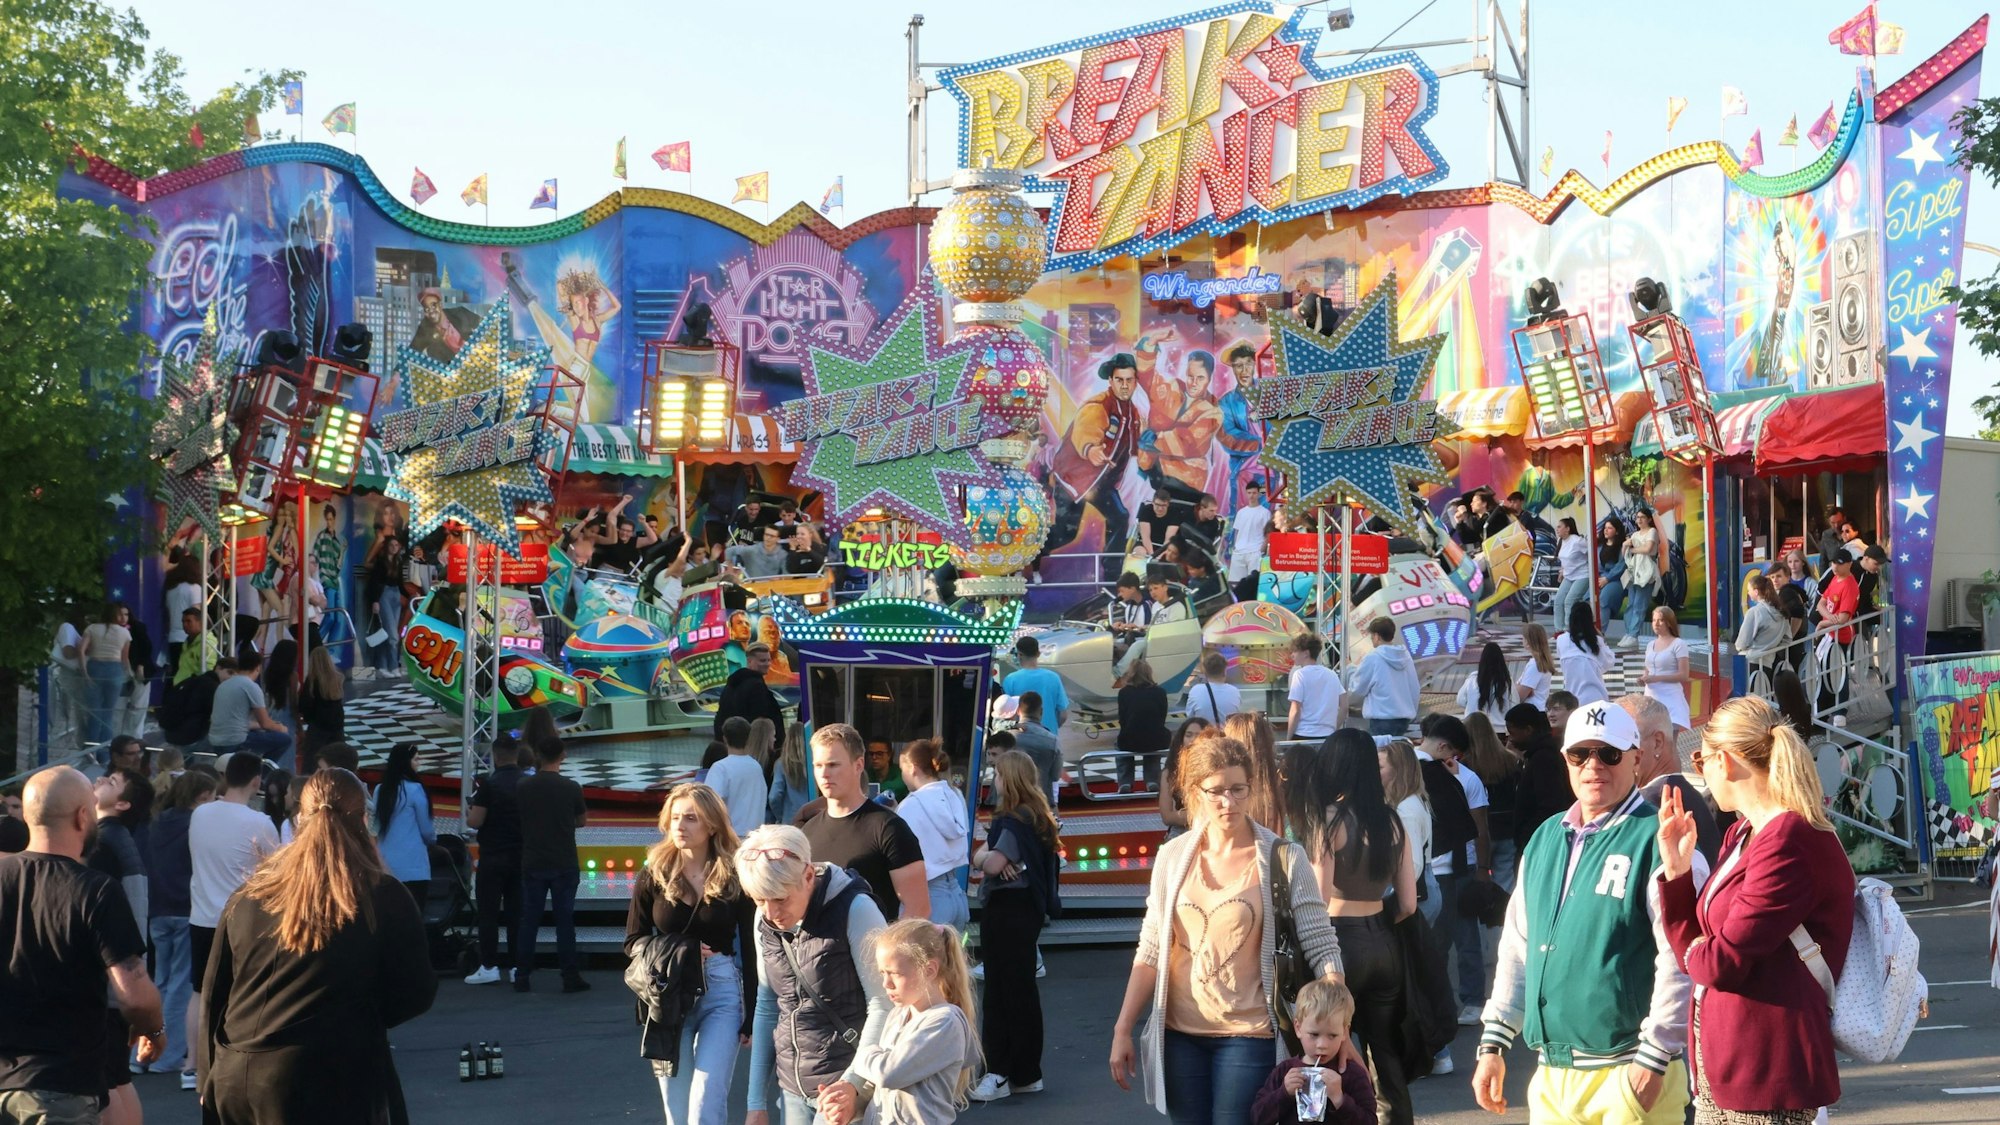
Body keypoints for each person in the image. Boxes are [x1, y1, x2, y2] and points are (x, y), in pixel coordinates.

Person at [1472, 702, 1698, 1125]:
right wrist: (1493, 1043)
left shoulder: (1659, 836)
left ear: (1635, 758)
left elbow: (1681, 957)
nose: (1594, 765)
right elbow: (1518, 947)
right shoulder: (1545, 837)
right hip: (1552, 1076)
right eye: (1581, 754)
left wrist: (1653, 1060)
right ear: (1566, 760)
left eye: (1608, 753)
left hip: (1629, 1070)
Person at [1108, 735, 1347, 1122]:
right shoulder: (1172, 856)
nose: (1228, 802)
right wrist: (1122, 1029)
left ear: (1252, 789)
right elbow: (1151, 949)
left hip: (1250, 1033)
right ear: (1194, 791)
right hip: (1179, 1034)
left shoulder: (1284, 856)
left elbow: (1322, 945)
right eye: (1216, 791)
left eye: (1239, 789)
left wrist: (1341, 1025)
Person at [1659, 696, 1855, 1124]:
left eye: (1701, 758)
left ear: (1725, 761)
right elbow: (1705, 946)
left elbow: (1721, 964)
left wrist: (1699, 956)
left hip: (1767, 1070)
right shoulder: (1745, 832)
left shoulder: (1788, 841)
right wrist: (1676, 873)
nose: (1701, 770)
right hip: (1728, 1059)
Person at [201, 768, 437, 1124]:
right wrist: (360, 1013)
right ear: (363, 820)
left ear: (299, 818)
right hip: (325, 1076)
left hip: (236, 1071)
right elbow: (416, 992)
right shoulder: (380, 896)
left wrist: (208, 1075)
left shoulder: (252, 893)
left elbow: (216, 990)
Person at [0, 767, 164, 1121]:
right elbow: (134, 995)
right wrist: (155, 1028)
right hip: (58, 1087)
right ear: (83, 816)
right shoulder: (96, 890)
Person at [738, 824, 893, 1125]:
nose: (770, 912)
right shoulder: (765, 920)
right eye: (759, 899)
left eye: (780, 899)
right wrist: (755, 1102)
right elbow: (768, 1004)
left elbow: (883, 1003)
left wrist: (853, 1085)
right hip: (794, 1089)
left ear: (808, 876)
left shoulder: (857, 909)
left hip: (848, 1085)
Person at [626, 783, 756, 1125]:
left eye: (692, 819)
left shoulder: (733, 875)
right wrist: (681, 949)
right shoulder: (653, 873)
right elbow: (633, 940)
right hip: (668, 993)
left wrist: (754, 1012)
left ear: (712, 825)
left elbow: (752, 946)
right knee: (677, 1111)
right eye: (675, 817)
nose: (680, 826)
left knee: (706, 1105)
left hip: (721, 989)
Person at [1306, 731, 1417, 1125]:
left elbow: (1317, 901)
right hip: (1383, 940)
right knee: (1384, 1050)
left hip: (1339, 942)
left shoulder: (1330, 820)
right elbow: (1408, 902)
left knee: (1329, 1045)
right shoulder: (1392, 821)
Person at [815, 918, 980, 1125]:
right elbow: (877, 1085)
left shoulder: (945, 1022)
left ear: (929, 970)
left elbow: (889, 1073)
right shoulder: (898, 1015)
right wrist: (849, 1106)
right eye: (883, 973)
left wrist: (864, 1053)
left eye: (895, 974)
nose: (886, 983)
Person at [967, 751, 1062, 1103]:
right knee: (1022, 993)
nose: (995, 780)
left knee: (998, 994)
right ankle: (1026, 1072)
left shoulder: (1011, 820)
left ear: (1010, 779)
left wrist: (979, 857)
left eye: (999, 774)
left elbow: (991, 864)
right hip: (1029, 910)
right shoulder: (1038, 816)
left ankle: (999, 1072)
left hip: (1005, 911)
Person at [188, 752, 279, 1076]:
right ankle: (235, 1061)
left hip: (200, 917)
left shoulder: (200, 815)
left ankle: (193, 1065)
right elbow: (276, 873)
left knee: (201, 992)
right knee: (242, 993)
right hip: (241, 921)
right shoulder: (259, 823)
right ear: (256, 781)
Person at [795, 724, 929, 922]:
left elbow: (918, 909)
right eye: (818, 765)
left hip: (875, 947)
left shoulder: (889, 828)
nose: (824, 774)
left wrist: (886, 952)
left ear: (858, 765)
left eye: (833, 765)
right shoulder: (808, 830)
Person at [85, 767, 151, 1125]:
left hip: (111, 979)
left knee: (106, 1081)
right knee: (118, 1078)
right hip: (122, 977)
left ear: (122, 803)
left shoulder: (104, 843)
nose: (100, 780)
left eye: (112, 782)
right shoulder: (118, 840)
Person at [1414, 714, 1489, 1030]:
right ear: (1443, 746)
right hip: (1433, 869)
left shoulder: (1465, 778)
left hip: (1456, 868)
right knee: (1437, 942)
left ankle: (1471, 1000)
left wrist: (1482, 869)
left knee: (1464, 937)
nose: (1452, 761)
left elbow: (1479, 827)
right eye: (1452, 754)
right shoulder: (1412, 771)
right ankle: (1441, 1002)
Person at [147, 768, 217, 1087]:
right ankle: (169, 1054)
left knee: (161, 981)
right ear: (200, 797)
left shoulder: (158, 821)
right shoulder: (196, 824)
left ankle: (146, 1052)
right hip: (186, 908)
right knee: (181, 984)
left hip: (158, 907)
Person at [516, 730, 590, 993]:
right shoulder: (571, 787)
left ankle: (522, 975)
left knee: (529, 920)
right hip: (564, 861)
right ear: (562, 756)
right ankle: (570, 976)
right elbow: (581, 821)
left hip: (533, 860)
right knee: (564, 921)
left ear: (538, 755)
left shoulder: (523, 787)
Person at [1046, 353, 1142, 554]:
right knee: (1065, 534)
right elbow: (1086, 432)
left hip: (1101, 483)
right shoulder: (1098, 405)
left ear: (1135, 382)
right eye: (1119, 380)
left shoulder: (1132, 413)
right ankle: (1028, 552)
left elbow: (1133, 447)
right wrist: (1090, 449)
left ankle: (1112, 575)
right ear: (1111, 381)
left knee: (1119, 518)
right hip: (1074, 479)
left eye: (1129, 380)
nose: (1124, 385)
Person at [1248, 978, 1378, 1125]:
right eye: (1314, 1035)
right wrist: (1284, 1093)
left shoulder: (1352, 1074)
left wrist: (1340, 1099)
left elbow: (1370, 1121)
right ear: (1298, 1028)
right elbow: (1258, 1117)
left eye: (1332, 1035)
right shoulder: (1286, 1071)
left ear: (1344, 1032)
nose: (1322, 1045)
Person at [1619, 695, 1720, 867]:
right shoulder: (1680, 794)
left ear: (1657, 743)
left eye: (1625, 741)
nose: (1615, 753)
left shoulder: (1652, 806)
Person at [465, 733, 526, 987]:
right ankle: (516, 966)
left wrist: (470, 811)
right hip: (521, 856)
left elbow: (475, 821)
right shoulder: (526, 783)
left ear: (496, 756)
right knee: (517, 914)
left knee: (488, 913)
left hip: (492, 857)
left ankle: (489, 965)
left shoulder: (489, 785)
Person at [897, 739, 970, 930]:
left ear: (912, 768)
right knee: (954, 959)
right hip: (956, 893)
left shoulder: (909, 805)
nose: (902, 776)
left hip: (929, 897)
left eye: (902, 770)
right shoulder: (955, 795)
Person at [371, 743, 435, 907]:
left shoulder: (380, 790)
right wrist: (433, 843)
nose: (418, 763)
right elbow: (427, 831)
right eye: (416, 759)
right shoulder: (416, 789)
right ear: (406, 763)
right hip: (414, 867)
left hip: (386, 866)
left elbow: (376, 828)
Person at [1505, 704, 1574, 856]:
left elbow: (1550, 804)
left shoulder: (1543, 759)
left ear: (1528, 730)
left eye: (1513, 733)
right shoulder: (1539, 755)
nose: (1510, 738)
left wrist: (1528, 835)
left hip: (1539, 843)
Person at [1378, 739, 1435, 914]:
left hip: (1415, 898)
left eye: (1380, 767)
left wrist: (1395, 903)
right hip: (1421, 892)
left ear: (1398, 772)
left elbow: (1413, 865)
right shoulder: (1411, 801)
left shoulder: (1405, 810)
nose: (1373, 772)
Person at [208, 650, 294, 767]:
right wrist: (280, 728)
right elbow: (265, 723)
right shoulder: (251, 686)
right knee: (284, 740)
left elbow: (234, 719)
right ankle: (262, 774)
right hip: (236, 741)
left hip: (216, 740)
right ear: (258, 668)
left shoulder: (223, 685)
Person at [1348, 618, 1422, 737]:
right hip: (1404, 720)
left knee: (1381, 754)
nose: (1372, 640)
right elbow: (1415, 688)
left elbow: (1358, 688)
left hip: (1381, 720)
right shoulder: (1406, 656)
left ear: (1377, 636)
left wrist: (1350, 668)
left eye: (1371, 637)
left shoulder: (1373, 657)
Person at [709, 717, 772, 838]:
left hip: (730, 837)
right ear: (748, 739)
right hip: (756, 836)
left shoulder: (720, 768)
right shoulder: (756, 767)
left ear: (725, 739)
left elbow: (710, 805)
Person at [82, 603, 134, 745]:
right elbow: (125, 658)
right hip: (114, 669)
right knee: (108, 712)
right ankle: (105, 751)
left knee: (94, 711)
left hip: (94, 667)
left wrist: (84, 671)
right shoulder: (124, 633)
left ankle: (90, 748)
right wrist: (129, 675)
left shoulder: (92, 629)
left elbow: (81, 650)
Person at [1116, 660, 1171, 795]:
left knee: (1122, 743)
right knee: (1154, 736)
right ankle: (1152, 779)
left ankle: (1125, 782)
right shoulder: (1160, 692)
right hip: (1156, 739)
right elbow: (1162, 718)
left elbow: (1122, 720)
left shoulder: (1124, 693)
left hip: (1130, 739)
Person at [714, 642, 786, 741]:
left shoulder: (732, 684)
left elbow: (720, 716)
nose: (767, 664)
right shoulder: (756, 686)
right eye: (762, 660)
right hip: (753, 745)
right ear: (749, 661)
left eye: (769, 660)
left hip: (731, 742)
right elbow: (760, 719)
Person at [1639, 607, 1693, 730]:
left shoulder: (1679, 644)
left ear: (1669, 623)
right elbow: (1647, 669)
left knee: (1669, 742)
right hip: (1651, 698)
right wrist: (1643, 679)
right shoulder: (1650, 645)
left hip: (1671, 698)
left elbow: (1684, 675)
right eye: (1654, 620)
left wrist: (1656, 678)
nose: (1656, 624)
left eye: (1661, 620)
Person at [295, 646, 346, 774]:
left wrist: (306, 718)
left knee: (311, 762)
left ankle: (306, 787)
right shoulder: (338, 678)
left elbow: (304, 705)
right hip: (337, 725)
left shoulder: (312, 681)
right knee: (339, 760)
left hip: (318, 727)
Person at [1620, 511, 1667, 648]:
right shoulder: (1635, 534)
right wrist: (1625, 545)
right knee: (1631, 604)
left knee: (1639, 605)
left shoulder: (1652, 531)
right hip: (1634, 571)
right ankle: (1629, 632)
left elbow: (1648, 548)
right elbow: (1625, 554)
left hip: (1646, 571)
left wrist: (1633, 548)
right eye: (1637, 517)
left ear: (1648, 519)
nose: (1639, 520)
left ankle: (1633, 634)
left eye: (1642, 517)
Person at [1002, 637, 1071, 730]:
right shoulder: (1053, 677)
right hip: (1048, 737)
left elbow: (1008, 715)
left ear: (1019, 655)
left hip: (1020, 737)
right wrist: (1053, 729)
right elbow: (1063, 715)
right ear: (1038, 654)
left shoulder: (1010, 679)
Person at [1556, 600, 1615, 706]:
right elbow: (1609, 663)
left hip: (1572, 697)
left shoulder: (1561, 640)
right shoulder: (1595, 641)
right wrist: (1602, 640)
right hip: (1596, 697)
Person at [1287, 633, 1345, 741]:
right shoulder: (1331, 674)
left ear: (1306, 653)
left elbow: (1295, 710)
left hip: (1304, 733)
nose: (1292, 655)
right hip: (1328, 735)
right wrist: (1334, 728)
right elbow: (1344, 705)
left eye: (1295, 651)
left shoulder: (1299, 674)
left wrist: (1288, 737)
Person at [1012, 692, 1063, 802]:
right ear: (1041, 712)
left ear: (1018, 711)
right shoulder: (1052, 740)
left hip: (1011, 801)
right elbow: (1055, 776)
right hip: (1041, 801)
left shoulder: (1007, 737)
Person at [1227, 479, 1272, 603]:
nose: (1251, 495)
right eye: (1249, 493)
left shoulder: (1265, 513)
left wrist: (1262, 549)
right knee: (1236, 584)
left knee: (1253, 583)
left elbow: (1268, 533)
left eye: (1254, 493)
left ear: (1258, 494)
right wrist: (1236, 547)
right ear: (1246, 493)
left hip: (1255, 552)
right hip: (1239, 552)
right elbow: (1237, 531)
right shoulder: (1241, 512)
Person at [1735, 576, 1790, 670]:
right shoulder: (1782, 614)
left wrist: (1739, 647)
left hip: (1749, 660)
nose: (1748, 593)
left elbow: (1742, 642)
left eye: (1749, 590)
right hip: (1768, 662)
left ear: (1756, 592)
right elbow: (1787, 640)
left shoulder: (1754, 612)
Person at [1457, 642, 1514, 731]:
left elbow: (1460, 701)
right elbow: (1514, 704)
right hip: (1499, 731)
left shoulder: (1472, 680)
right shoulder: (1507, 682)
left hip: (1473, 730)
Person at [1183, 650, 1244, 727]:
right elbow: (1238, 718)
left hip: (1203, 737)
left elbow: (1190, 718)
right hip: (1227, 737)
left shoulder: (1196, 690)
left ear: (1205, 672)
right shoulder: (1234, 691)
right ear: (1225, 671)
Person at [767, 725, 812, 828]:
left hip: (790, 820)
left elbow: (774, 796)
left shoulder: (781, 764)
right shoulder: (815, 763)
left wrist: (780, 816)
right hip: (813, 818)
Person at [1552, 518, 1591, 631]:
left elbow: (1591, 553)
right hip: (1569, 575)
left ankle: (1569, 630)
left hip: (1582, 575)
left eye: (1560, 526)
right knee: (1558, 601)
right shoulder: (1560, 541)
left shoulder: (1578, 541)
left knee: (1569, 601)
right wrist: (1562, 571)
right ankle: (1558, 630)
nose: (1557, 529)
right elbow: (1565, 559)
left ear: (1568, 529)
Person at [1108, 572, 1153, 659]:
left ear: (1132, 589)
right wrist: (1121, 626)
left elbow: (1150, 629)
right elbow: (1128, 625)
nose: (1119, 595)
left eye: (1121, 591)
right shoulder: (1129, 607)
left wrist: (1137, 628)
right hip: (1130, 638)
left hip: (1142, 640)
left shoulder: (1148, 605)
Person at [173, 606, 219, 687]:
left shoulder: (208, 643)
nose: (184, 625)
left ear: (200, 622)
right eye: (183, 622)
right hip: (182, 686)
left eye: (188, 621)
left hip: (194, 688)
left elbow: (209, 670)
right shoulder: (187, 642)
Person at [727, 524, 791, 581]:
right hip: (753, 586)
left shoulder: (783, 554)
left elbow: (787, 575)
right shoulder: (753, 549)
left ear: (777, 539)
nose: (768, 538)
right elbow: (729, 551)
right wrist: (730, 570)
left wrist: (779, 579)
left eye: (772, 536)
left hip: (772, 587)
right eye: (766, 535)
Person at [1517, 623, 1555, 710]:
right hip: (1538, 708)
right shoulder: (1539, 661)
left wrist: (1516, 686)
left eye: (1523, 638)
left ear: (1528, 641)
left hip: (1533, 711)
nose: (1522, 640)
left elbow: (1521, 695)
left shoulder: (1535, 665)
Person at [1138, 493, 1180, 558]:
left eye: (1163, 505)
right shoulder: (1146, 510)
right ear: (1153, 503)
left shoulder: (1175, 513)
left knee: (1169, 555)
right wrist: (1152, 556)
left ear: (1168, 504)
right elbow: (1145, 538)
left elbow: (1168, 539)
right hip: (1145, 543)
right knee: (1139, 552)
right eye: (1157, 505)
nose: (1160, 509)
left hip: (1165, 546)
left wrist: (1159, 556)